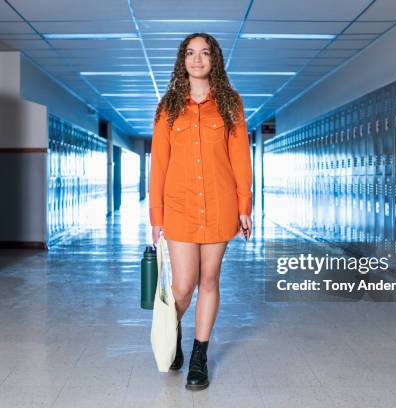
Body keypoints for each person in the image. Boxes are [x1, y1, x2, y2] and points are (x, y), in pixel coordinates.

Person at [148, 32, 253, 391]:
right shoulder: (167, 108)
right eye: (190, 53)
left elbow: (241, 159)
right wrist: (156, 218)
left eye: (204, 53)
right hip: (179, 208)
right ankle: (172, 332)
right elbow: (158, 165)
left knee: (209, 280)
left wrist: (244, 207)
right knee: (183, 287)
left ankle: (199, 356)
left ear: (214, 60)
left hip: (220, 206)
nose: (197, 59)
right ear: (182, 61)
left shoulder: (230, 104)